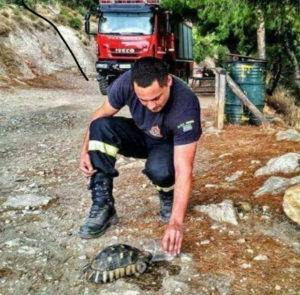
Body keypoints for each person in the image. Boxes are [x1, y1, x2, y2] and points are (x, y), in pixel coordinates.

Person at [78, 57, 202, 255]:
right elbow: (99, 115)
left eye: (156, 98)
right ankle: (103, 205)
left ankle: (167, 193)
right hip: (139, 135)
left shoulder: (186, 106)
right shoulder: (126, 82)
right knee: (101, 127)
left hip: (165, 145)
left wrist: (176, 223)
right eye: (143, 100)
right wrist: (84, 151)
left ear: (168, 81)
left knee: (161, 170)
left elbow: (184, 169)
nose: (150, 106)